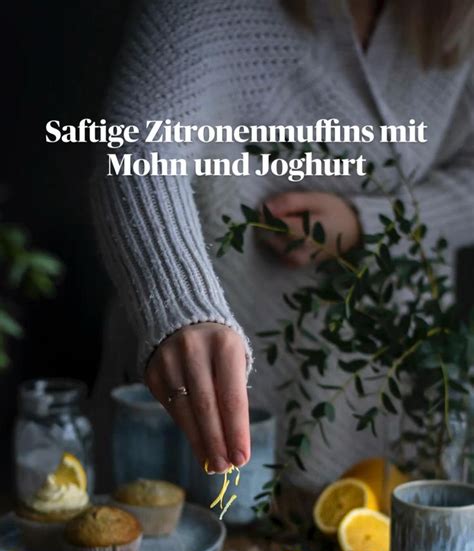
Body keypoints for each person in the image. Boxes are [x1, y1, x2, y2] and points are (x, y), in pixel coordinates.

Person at [91, 0, 474, 489]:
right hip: (203, 391)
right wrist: (182, 306)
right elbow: (140, 149)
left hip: (378, 401)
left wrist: (366, 223)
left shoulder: (453, 24)